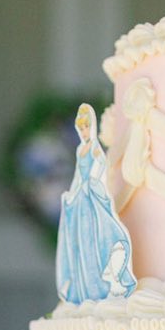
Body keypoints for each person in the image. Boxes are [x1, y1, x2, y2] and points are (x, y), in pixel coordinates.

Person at [56, 104, 137, 304]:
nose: (83, 131)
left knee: (102, 234)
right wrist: (72, 194)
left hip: (92, 196)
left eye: (86, 127)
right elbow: (77, 175)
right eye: (80, 127)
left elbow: (101, 165)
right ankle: (85, 285)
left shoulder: (94, 149)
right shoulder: (79, 150)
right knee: (82, 241)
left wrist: (91, 182)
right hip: (81, 200)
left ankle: (107, 279)